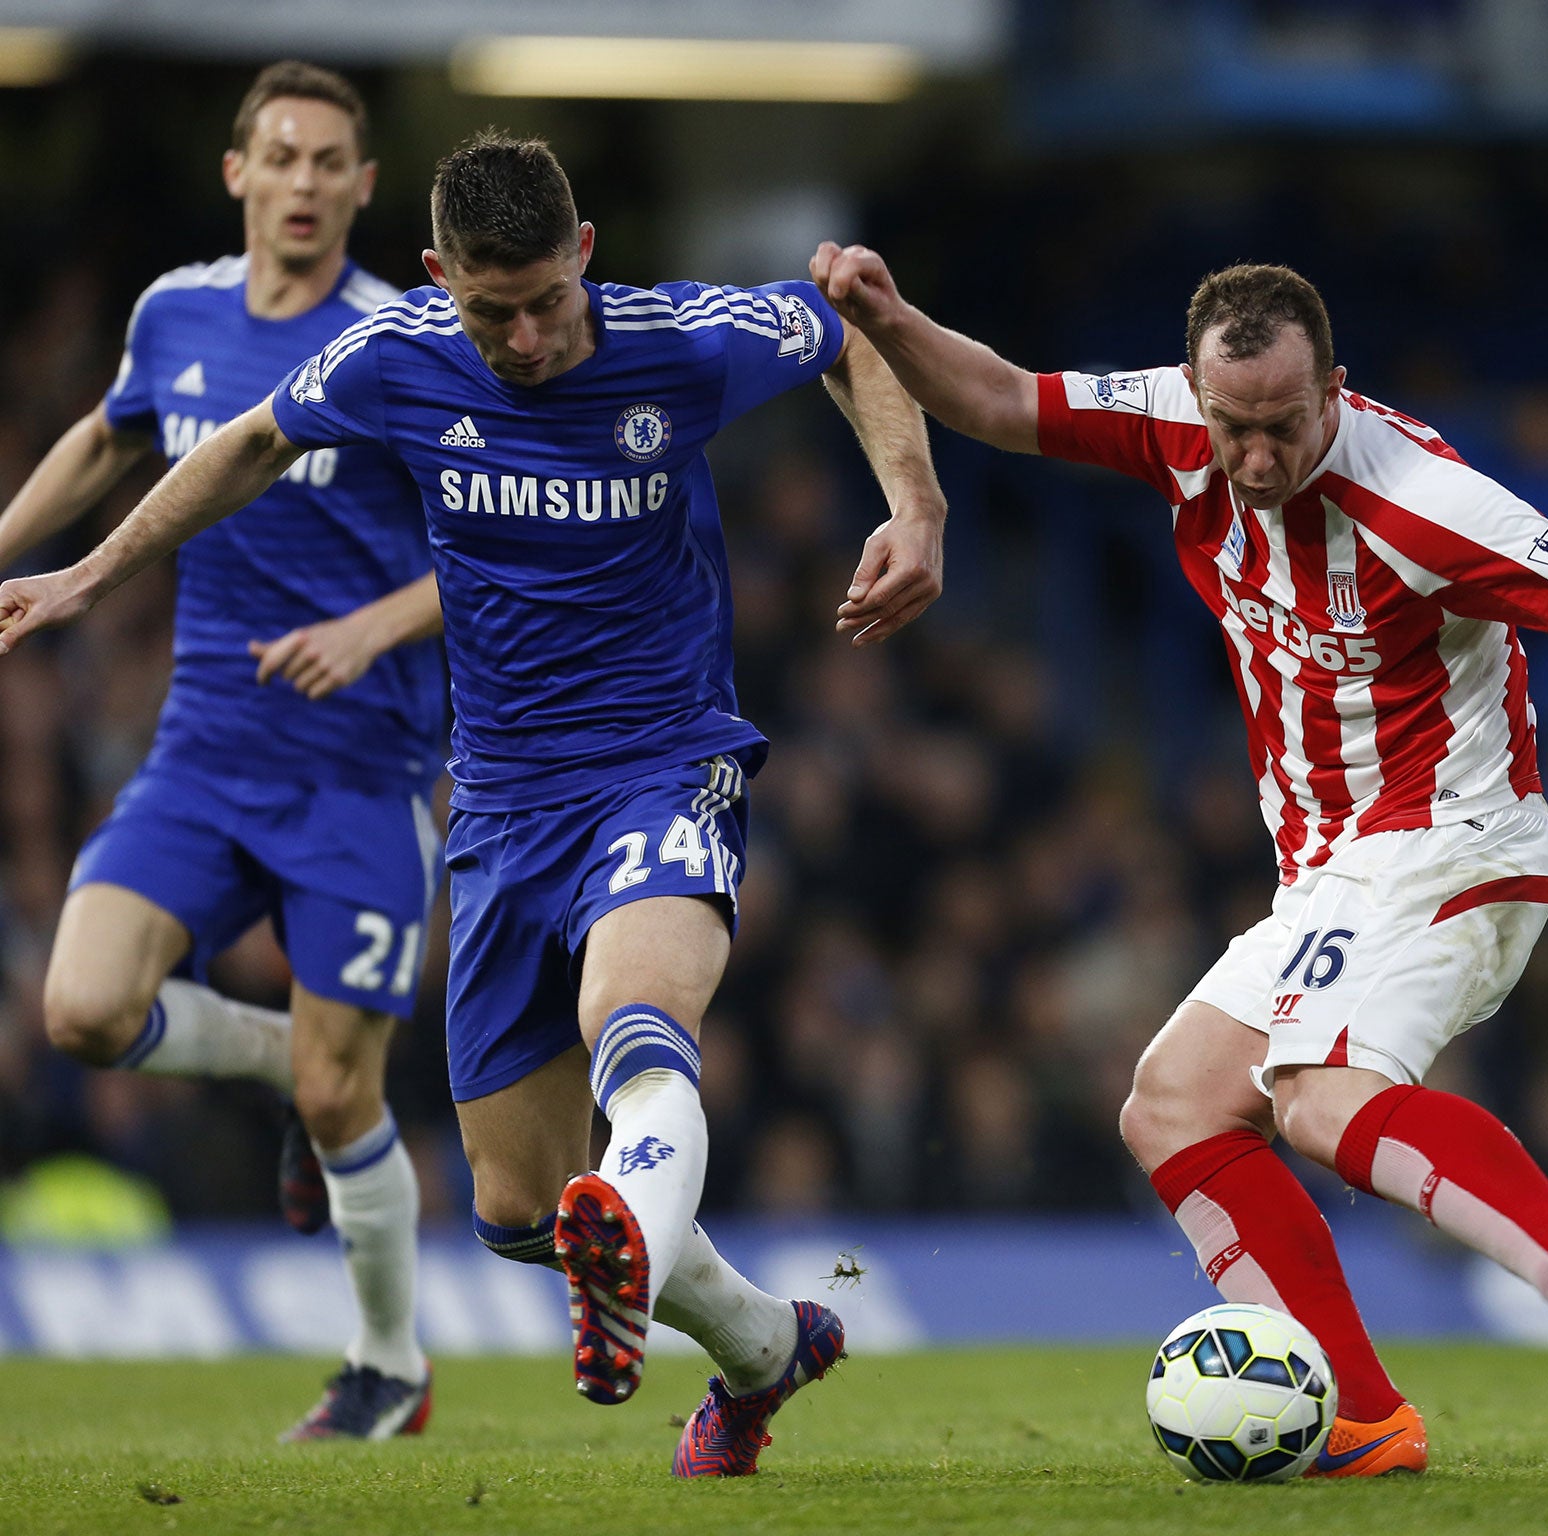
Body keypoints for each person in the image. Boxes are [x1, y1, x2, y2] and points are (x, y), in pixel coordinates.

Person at [805, 245, 1548, 1473]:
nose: (1252, 458)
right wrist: (888, 314)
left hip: (1457, 840)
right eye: (1231, 425)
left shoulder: (1424, 501)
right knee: (1173, 1104)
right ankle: (1360, 1416)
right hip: (1334, 870)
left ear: (1333, 391)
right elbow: (996, 400)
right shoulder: (1179, 423)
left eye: (1281, 428)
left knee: (1316, 1097)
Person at [0, 132, 946, 1479]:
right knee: (514, 1206)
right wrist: (87, 577)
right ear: (437, 277)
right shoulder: (396, 358)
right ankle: (757, 1347)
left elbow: (845, 337)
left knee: (638, 1012)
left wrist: (917, 508)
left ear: (587, 260)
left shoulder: (679, 342)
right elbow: (253, 442)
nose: (524, 336)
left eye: (549, 300)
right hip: (500, 806)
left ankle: (622, 1230)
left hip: (663, 761)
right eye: (488, 309)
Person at [0, 62, 444, 1441]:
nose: (305, 184)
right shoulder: (176, 314)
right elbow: (107, 435)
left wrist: (374, 626)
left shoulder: (407, 342)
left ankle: (391, 1367)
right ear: (237, 173)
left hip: (363, 767)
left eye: (331, 164)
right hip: (201, 751)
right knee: (79, 1008)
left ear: (364, 189)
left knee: (342, 1089)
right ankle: (283, 1062)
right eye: (284, 157)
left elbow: (497, 540)